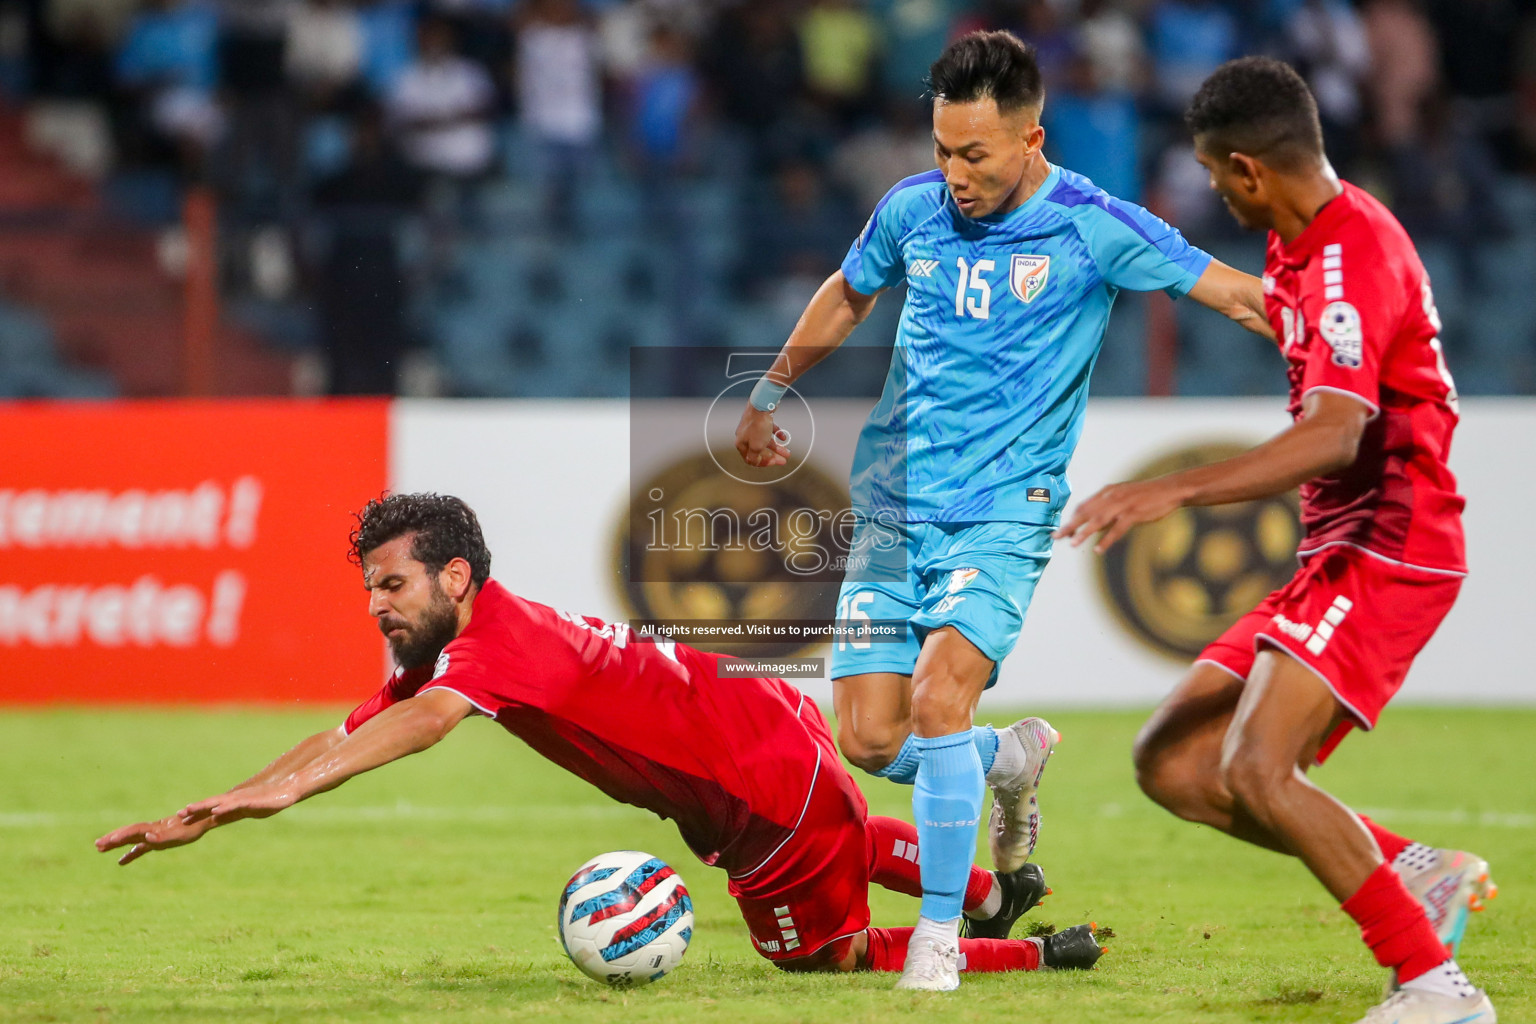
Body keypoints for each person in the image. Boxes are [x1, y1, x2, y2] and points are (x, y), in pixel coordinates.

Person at [733, 29, 1271, 991]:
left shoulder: (1095, 225)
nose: (954, 173)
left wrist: (1349, 339)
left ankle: (939, 940)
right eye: (941, 150)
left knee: (939, 697)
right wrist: (771, 390)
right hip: (896, 500)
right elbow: (848, 297)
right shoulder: (912, 210)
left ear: (1032, 138)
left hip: (1003, 511)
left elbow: (1232, 294)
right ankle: (1006, 759)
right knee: (867, 739)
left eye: (973, 154)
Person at [96, 493, 1105, 979]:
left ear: (452, 578)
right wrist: (234, 799)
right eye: (368, 587)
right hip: (756, 715)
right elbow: (350, 725)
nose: (375, 604)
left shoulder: (487, 653)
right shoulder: (470, 639)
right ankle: (991, 885)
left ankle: (1039, 956)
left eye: (390, 584)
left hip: (751, 780)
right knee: (840, 831)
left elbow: (422, 725)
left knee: (823, 956)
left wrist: (286, 794)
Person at [1056, 57, 1496, 1024]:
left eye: (1216, 174)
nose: (1214, 189)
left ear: (1248, 168)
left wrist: (1170, 488)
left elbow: (1338, 432)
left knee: (1256, 766)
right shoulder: (1296, 257)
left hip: (1390, 541)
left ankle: (1433, 985)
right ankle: (1421, 872)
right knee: (1172, 764)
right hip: (1335, 548)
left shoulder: (1349, 256)